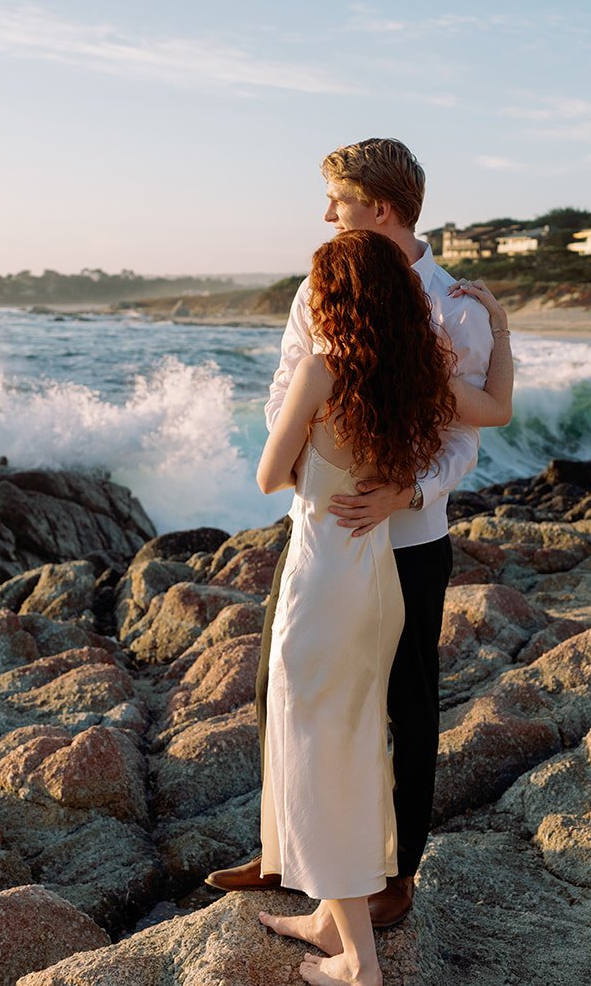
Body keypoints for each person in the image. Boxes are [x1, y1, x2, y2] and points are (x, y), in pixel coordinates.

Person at [208, 138, 503, 911]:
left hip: (409, 541)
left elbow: (465, 440)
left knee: (405, 702)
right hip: (324, 529)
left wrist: (406, 488)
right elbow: (287, 385)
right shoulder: (319, 287)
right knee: (285, 686)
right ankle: (283, 851)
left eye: (337, 201)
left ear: (379, 207)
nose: (326, 215)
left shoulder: (455, 308)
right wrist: (316, 453)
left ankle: (396, 875)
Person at [252, 228, 512, 985]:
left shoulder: (320, 369)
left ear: (335, 299)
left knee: (314, 750)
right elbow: (494, 407)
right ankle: (331, 918)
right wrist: (496, 326)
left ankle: (359, 960)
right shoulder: (419, 374)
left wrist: (307, 448)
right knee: (357, 746)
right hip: (378, 584)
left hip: (323, 578)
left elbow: (271, 475)